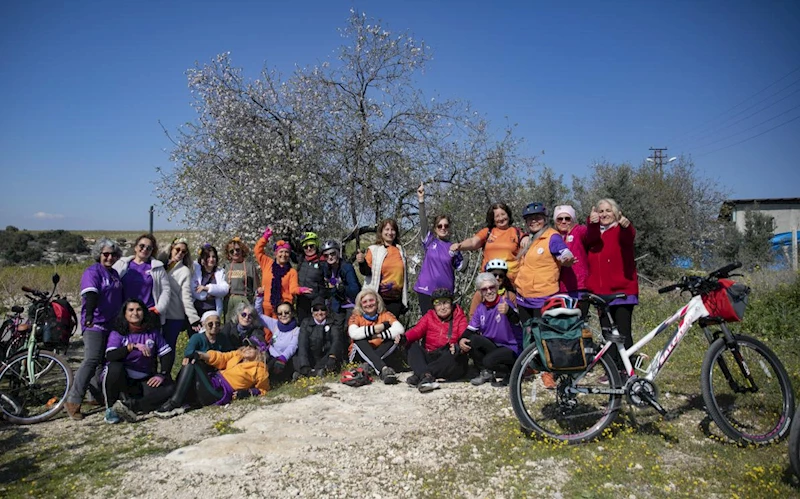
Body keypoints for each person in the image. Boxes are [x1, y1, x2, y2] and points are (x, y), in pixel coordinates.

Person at [514, 203, 575, 389]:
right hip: (523, 296)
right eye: (530, 219)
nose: (534, 221)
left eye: (538, 217)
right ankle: (532, 366)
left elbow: (564, 252)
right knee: (528, 334)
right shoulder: (529, 239)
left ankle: (549, 372)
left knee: (546, 336)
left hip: (543, 295)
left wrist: (567, 258)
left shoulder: (552, 237)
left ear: (545, 219)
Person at [65, 238, 124, 421]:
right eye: (105, 254)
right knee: (91, 359)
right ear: (98, 254)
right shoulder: (93, 272)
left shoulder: (114, 273)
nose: (109, 257)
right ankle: (73, 400)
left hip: (111, 323)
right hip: (95, 324)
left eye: (113, 254)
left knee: (102, 360)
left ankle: (96, 396)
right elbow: (91, 294)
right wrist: (89, 315)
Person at [586, 199, 639, 373]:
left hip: (622, 291)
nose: (604, 214)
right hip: (601, 294)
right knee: (608, 334)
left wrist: (626, 225)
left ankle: (626, 369)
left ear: (616, 213)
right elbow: (590, 239)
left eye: (608, 210)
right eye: (601, 211)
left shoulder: (620, 231)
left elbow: (628, 237)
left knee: (623, 332)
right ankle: (613, 371)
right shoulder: (595, 233)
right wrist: (592, 224)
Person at [101, 299, 175, 424]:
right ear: (124, 314)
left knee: (171, 388)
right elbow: (110, 355)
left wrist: (161, 374)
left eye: (139, 310)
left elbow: (166, 354)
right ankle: (111, 409)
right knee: (113, 367)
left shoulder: (152, 333)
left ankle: (129, 406)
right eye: (131, 310)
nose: (135, 313)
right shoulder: (118, 333)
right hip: (122, 379)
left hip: (143, 379)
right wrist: (131, 347)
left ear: (144, 313)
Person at [155, 343, 270, 418]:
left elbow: (263, 390)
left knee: (193, 366)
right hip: (212, 381)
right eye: (247, 346)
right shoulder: (237, 355)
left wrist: (249, 392)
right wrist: (200, 355)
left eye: (253, 347)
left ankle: (174, 403)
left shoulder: (260, 369)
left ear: (260, 352)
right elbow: (221, 357)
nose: (248, 348)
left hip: (219, 392)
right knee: (194, 361)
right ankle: (173, 398)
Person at [459, 273, 522, 387]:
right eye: (484, 289)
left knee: (488, 361)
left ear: (497, 288)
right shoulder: (480, 308)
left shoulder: (505, 303)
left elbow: (517, 321)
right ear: (480, 292)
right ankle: (486, 372)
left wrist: (509, 312)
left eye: (491, 287)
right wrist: (461, 339)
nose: (488, 291)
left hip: (510, 347)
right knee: (472, 340)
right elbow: (471, 329)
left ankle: (512, 371)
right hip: (494, 345)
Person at [402, 288, 469, 393]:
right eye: (438, 303)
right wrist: (405, 338)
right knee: (411, 345)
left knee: (456, 357)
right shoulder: (429, 316)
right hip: (431, 355)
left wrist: (458, 345)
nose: (442, 307)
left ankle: (421, 374)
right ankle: (426, 376)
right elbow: (417, 331)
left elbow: (463, 334)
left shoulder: (459, 317)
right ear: (434, 306)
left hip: (448, 356)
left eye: (445, 303)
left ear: (451, 303)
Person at [413, 182, 465, 314]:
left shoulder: (453, 247)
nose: (443, 228)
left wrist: (461, 249)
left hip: (445, 293)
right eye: (440, 226)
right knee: (428, 326)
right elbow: (423, 221)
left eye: (446, 226)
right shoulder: (430, 241)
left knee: (443, 328)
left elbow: (462, 268)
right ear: (435, 228)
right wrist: (421, 201)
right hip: (426, 290)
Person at [450, 203, 523, 282]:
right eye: (497, 216)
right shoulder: (488, 232)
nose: (501, 218)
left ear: (508, 215)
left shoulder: (517, 232)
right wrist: (460, 245)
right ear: (493, 219)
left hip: (510, 281)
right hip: (488, 281)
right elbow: (473, 242)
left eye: (503, 214)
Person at [160, 238, 202, 372]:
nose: (180, 253)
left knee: (168, 348)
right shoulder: (160, 265)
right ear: (171, 249)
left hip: (173, 315)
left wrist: (193, 318)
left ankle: (165, 375)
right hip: (158, 313)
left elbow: (186, 296)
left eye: (183, 252)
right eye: (177, 250)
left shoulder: (184, 271)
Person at [347, 289, 405, 384]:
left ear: (377, 301)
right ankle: (383, 369)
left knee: (395, 338)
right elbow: (353, 333)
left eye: (371, 300)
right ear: (360, 305)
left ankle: (367, 366)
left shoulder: (386, 315)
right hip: (360, 354)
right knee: (359, 339)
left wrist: (377, 335)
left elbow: (399, 329)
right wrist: (380, 327)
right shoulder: (356, 317)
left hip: (382, 352)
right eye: (365, 302)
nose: (368, 304)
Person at [356, 219, 409, 318]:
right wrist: (362, 262)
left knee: (391, 330)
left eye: (392, 230)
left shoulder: (401, 251)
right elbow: (366, 272)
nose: (390, 232)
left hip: (395, 300)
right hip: (377, 299)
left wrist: (405, 300)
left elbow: (404, 277)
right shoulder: (374, 250)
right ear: (381, 232)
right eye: (387, 229)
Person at [113, 234, 170, 324]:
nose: (145, 249)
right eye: (142, 246)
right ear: (135, 247)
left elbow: (165, 290)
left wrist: (159, 308)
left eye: (149, 248)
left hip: (148, 314)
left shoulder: (157, 267)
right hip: (125, 314)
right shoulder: (122, 265)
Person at [254, 227, 310, 318]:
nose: (283, 255)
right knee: (266, 332)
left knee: (279, 331)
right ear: (276, 253)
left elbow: (293, 288)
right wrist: (265, 237)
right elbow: (257, 250)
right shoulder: (267, 263)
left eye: (286, 252)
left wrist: (299, 290)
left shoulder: (292, 272)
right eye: (281, 252)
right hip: (266, 306)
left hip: (282, 308)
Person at [254, 294, 300, 383]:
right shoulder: (275, 324)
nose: (283, 315)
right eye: (280, 313)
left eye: (286, 312)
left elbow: (292, 347)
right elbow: (257, 314)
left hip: (285, 360)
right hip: (269, 357)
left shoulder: (297, 330)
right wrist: (259, 297)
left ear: (292, 313)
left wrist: (282, 359)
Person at [293, 298, 343, 378]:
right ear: (312, 312)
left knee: (333, 361)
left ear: (326, 311)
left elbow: (336, 340)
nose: (319, 313)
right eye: (316, 310)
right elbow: (302, 343)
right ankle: (311, 372)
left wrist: (332, 355)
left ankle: (309, 374)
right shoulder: (306, 323)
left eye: (322, 309)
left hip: (325, 355)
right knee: (296, 358)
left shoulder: (333, 323)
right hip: (310, 356)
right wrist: (304, 364)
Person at [320, 240, 360, 329]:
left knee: (348, 328)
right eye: (326, 255)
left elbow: (355, 290)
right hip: (336, 304)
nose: (330, 257)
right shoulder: (327, 269)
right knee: (335, 329)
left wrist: (342, 288)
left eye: (332, 253)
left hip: (351, 304)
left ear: (338, 252)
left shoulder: (346, 267)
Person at [553, 205, 590, 297]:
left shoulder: (579, 231)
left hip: (579, 286)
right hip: (560, 288)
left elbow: (591, 234)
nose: (564, 221)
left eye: (567, 218)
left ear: (573, 220)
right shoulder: (553, 237)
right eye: (560, 219)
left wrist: (592, 223)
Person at [222, 237, 260, 320]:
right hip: (229, 301)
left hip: (245, 299)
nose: (235, 252)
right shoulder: (226, 267)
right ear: (228, 254)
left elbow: (257, 288)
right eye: (232, 251)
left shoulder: (250, 266)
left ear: (242, 250)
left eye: (237, 250)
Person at [296, 232, 326, 322]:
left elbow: (330, 278)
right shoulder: (301, 260)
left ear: (316, 245)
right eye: (306, 247)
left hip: (316, 300)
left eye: (311, 246)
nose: (309, 249)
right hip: (302, 300)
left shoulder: (323, 262)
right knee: (302, 325)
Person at [192, 243, 229, 318]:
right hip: (197, 310)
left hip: (213, 310)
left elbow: (224, 289)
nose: (211, 259)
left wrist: (207, 288)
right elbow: (194, 290)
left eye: (213, 257)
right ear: (203, 258)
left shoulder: (220, 272)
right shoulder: (196, 271)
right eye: (208, 257)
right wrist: (206, 297)